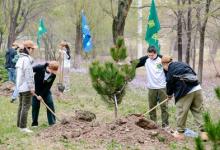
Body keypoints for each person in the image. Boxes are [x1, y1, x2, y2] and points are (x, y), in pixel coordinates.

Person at [161, 55, 208, 140]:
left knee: (181, 111)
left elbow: (169, 83)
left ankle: (180, 133)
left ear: (165, 64)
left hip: (185, 92)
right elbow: (193, 73)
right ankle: (204, 133)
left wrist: (169, 95)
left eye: (163, 67)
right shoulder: (182, 64)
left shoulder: (170, 70)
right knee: (198, 110)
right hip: (197, 88)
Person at [135, 46, 169, 128]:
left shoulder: (162, 59)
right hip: (151, 87)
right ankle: (154, 124)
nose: (150, 57)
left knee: (164, 107)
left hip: (162, 87)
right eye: (149, 55)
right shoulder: (145, 59)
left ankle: (165, 125)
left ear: (156, 53)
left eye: (152, 55)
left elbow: (169, 69)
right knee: (152, 107)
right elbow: (134, 63)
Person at [16, 40, 37, 133]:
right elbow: (29, 75)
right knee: (26, 106)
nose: (33, 51)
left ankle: (19, 125)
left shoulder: (20, 58)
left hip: (20, 86)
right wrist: (31, 87)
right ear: (28, 49)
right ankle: (23, 127)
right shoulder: (26, 60)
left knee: (21, 106)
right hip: (26, 87)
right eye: (32, 49)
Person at [31, 61, 59, 127]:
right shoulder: (39, 67)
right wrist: (31, 86)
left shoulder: (53, 75)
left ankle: (52, 122)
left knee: (50, 103)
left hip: (45, 91)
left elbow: (48, 86)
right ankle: (34, 124)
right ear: (50, 68)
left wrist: (41, 95)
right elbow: (28, 72)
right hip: (35, 90)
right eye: (54, 70)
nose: (55, 72)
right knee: (35, 106)